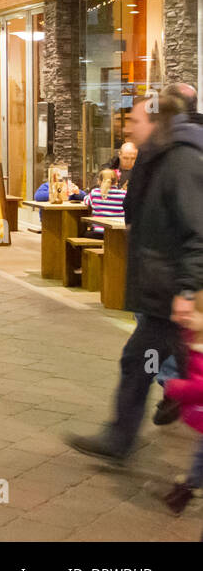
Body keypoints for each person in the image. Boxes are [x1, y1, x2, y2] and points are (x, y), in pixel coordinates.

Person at [66, 89, 203, 463]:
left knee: (139, 360)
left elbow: (197, 231)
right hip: (164, 290)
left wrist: (187, 291)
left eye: (134, 121)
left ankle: (121, 437)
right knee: (144, 361)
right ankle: (133, 426)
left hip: (172, 293)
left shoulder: (181, 162)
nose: (127, 128)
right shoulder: (160, 156)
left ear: (157, 123)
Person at [161, 292, 203, 514]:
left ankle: (188, 488)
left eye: (195, 312)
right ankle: (190, 485)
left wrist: (180, 388)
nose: (189, 315)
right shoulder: (194, 339)